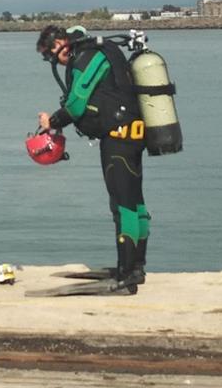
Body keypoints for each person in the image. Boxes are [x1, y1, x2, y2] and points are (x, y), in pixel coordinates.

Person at [36, 24, 150, 290]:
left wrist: (51, 122)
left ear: (59, 43)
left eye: (49, 54)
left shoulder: (87, 56)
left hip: (118, 138)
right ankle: (136, 266)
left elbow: (76, 103)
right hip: (133, 133)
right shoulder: (103, 50)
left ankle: (126, 275)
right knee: (135, 201)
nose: (52, 60)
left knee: (123, 205)